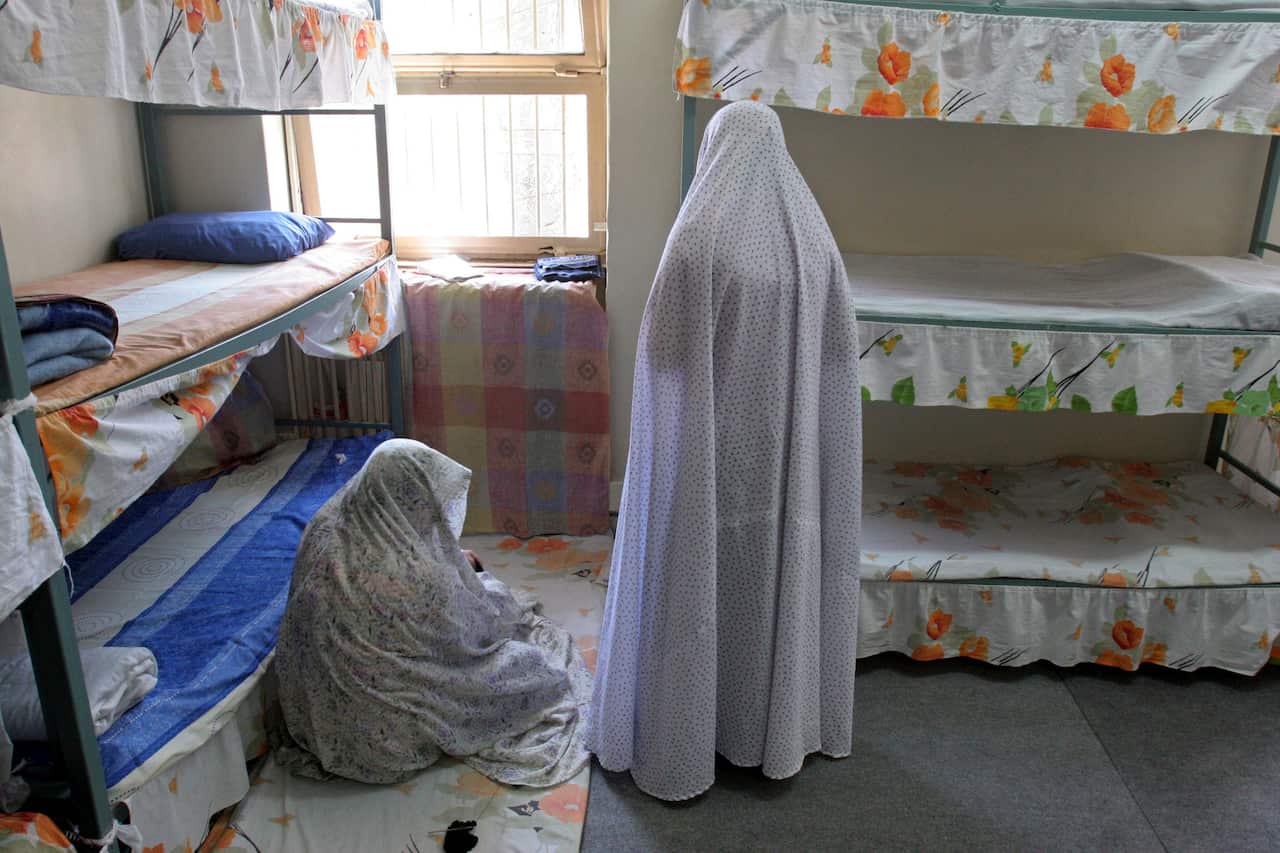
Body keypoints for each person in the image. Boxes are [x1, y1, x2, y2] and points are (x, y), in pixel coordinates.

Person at [587, 101, 863, 801]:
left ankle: (691, 733)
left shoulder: (699, 237)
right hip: (787, 460)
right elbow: (836, 356)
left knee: (700, 582)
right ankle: (768, 730)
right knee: (773, 582)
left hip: (711, 456)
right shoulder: (814, 235)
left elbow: (664, 355)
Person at [273, 439, 591, 787]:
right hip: (385, 741)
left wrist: (449, 566)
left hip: (317, 723)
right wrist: (469, 578)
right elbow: (472, 634)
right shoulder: (416, 575)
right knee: (531, 669)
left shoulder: (323, 527)